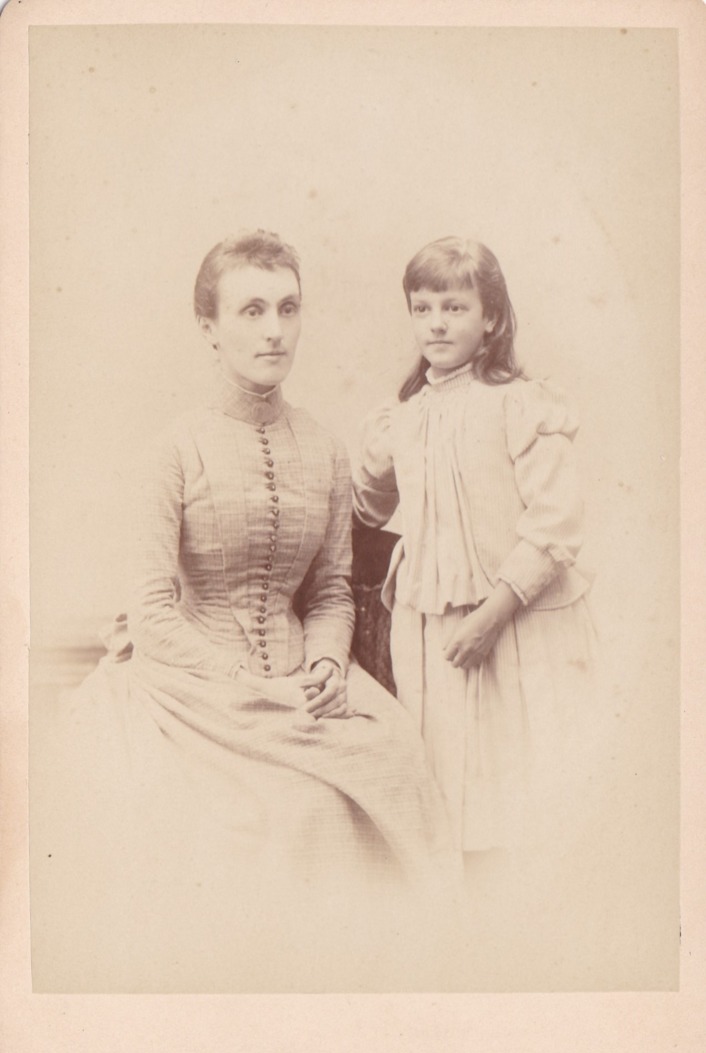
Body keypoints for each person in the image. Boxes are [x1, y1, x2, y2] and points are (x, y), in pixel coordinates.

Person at [35, 231, 456, 994]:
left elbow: (329, 590)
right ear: (209, 327)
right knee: (270, 814)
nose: (273, 329)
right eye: (252, 309)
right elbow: (153, 610)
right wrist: (242, 680)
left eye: (287, 308)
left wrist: (328, 661)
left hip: (305, 673)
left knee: (395, 761)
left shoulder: (325, 450)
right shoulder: (175, 449)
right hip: (195, 682)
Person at [353, 236, 598, 869]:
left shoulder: (519, 403)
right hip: (431, 627)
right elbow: (367, 505)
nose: (436, 322)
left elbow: (556, 525)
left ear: (490, 316)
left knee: (518, 795)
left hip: (513, 625)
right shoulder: (401, 417)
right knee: (446, 789)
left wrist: (491, 617)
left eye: (455, 307)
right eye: (422, 307)